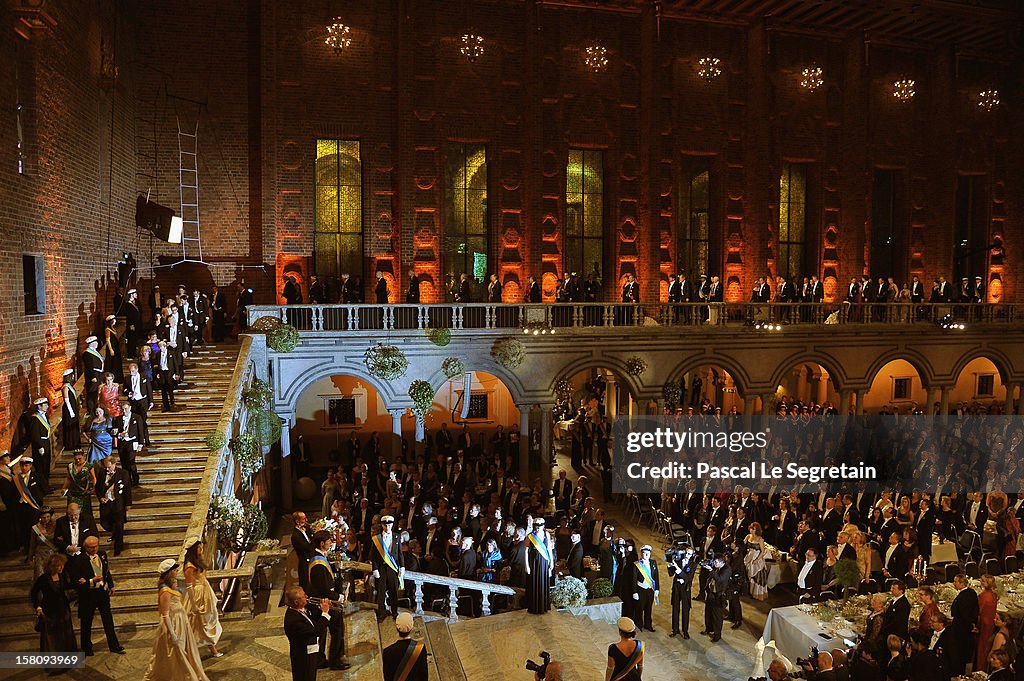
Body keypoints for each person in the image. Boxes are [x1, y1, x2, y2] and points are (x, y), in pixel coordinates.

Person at [142, 559, 209, 681]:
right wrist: (172, 633)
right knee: (176, 651)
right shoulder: (164, 590)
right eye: (174, 570)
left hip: (180, 621)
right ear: (168, 572)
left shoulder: (171, 586)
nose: (176, 571)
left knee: (183, 649)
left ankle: (184, 674)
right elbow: (165, 614)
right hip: (173, 623)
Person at [70, 535, 124, 655]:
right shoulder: (79, 560)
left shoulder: (102, 554)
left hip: (102, 593)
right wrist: (90, 581)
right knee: (86, 623)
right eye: (90, 547)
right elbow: (76, 580)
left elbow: (106, 571)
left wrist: (111, 585)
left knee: (108, 620)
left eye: (95, 546)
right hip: (88, 595)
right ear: (85, 547)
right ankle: (87, 648)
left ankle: (114, 645)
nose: (94, 549)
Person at [308, 530, 350, 670]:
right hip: (326, 603)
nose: (331, 542)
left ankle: (322, 659)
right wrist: (338, 597)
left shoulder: (320, 557)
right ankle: (335, 661)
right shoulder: (318, 563)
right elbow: (324, 588)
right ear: (321, 543)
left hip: (326, 601)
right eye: (328, 540)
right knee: (336, 630)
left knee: (326, 632)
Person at [31, 553, 77, 673]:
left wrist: (82, 582)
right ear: (52, 566)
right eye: (58, 566)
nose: (61, 568)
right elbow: (34, 593)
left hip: (63, 609)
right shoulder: (43, 578)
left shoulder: (62, 576)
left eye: (62, 565)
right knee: (52, 637)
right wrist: (38, 606)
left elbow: (67, 587)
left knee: (65, 635)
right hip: (50, 610)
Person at [183, 538, 223, 658]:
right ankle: (210, 649)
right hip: (197, 595)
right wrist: (194, 605)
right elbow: (189, 586)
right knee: (200, 622)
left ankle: (212, 646)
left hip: (205, 592)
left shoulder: (197, 561)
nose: (202, 549)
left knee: (208, 619)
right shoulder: (189, 566)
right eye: (199, 547)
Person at [284, 586, 330, 681]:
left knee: (311, 676)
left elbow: (312, 622)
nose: (307, 597)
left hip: (310, 651)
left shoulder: (300, 609)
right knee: (305, 677)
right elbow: (316, 631)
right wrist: (325, 613)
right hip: (303, 656)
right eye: (304, 596)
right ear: (296, 602)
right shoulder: (294, 620)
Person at [371, 515, 405, 622]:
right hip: (382, 568)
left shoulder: (397, 537)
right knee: (381, 592)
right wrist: (375, 569)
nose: (388, 527)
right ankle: (381, 613)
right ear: (382, 525)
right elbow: (374, 556)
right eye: (385, 525)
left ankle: (394, 611)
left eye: (390, 525)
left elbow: (400, 553)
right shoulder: (377, 539)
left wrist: (402, 566)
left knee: (393, 591)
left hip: (393, 568)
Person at [95, 456, 130, 556]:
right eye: (105, 467)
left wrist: (128, 504)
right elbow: (97, 488)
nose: (107, 469)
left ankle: (118, 546)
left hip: (118, 503)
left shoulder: (123, 473)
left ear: (114, 464)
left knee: (119, 525)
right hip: (106, 504)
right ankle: (114, 532)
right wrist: (100, 498)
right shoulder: (101, 473)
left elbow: (127, 489)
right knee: (104, 523)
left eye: (109, 467)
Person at [382, 612, 427, 681]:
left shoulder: (387, 651)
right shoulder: (420, 648)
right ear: (411, 627)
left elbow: (387, 678)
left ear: (397, 628)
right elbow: (424, 676)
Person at [525, 517, 553, 614]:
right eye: (536, 526)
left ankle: (543, 606)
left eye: (540, 526)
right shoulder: (530, 536)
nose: (537, 528)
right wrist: (527, 566)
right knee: (534, 583)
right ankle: (534, 607)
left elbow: (549, 549)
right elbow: (526, 551)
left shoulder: (547, 535)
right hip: (534, 563)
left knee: (543, 582)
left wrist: (551, 563)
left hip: (544, 562)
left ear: (543, 526)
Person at [667, 546, 696, 638]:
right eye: (686, 553)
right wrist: (669, 566)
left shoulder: (693, 565)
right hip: (676, 587)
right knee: (675, 608)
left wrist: (678, 570)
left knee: (685, 610)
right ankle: (675, 629)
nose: (686, 555)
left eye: (689, 554)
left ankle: (685, 631)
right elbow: (671, 574)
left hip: (685, 589)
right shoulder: (679, 560)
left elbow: (689, 578)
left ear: (692, 555)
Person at [630, 545, 659, 632]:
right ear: (641, 554)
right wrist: (634, 592)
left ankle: (648, 625)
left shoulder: (653, 563)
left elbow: (656, 577)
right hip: (641, 589)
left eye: (648, 553)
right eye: (644, 553)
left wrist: (657, 589)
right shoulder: (637, 564)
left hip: (650, 589)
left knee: (648, 608)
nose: (646, 555)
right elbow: (633, 579)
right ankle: (639, 624)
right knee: (639, 608)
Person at [26, 397, 54, 490]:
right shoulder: (35, 418)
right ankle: (42, 487)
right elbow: (35, 434)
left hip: (46, 442)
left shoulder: (44, 416)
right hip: (40, 444)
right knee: (40, 466)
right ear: (39, 406)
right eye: (45, 405)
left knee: (46, 465)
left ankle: (46, 485)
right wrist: (39, 446)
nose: (47, 406)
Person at [701, 555, 730, 642]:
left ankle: (717, 635)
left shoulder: (727, 570)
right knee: (708, 612)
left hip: (719, 595)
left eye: (716, 562)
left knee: (717, 616)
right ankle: (709, 629)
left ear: (722, 562)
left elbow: (720, 579)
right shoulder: (717, 567)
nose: (714, 564)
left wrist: (711, 570)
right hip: (711, 592)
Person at [606, 616, 644, 681]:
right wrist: (638, 677)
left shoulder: (613, 648)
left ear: (620, 632)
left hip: (618, 678)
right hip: (634, 677)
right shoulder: (640, 645)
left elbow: (610, 668)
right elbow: (640, 666)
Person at [976, 573, 999, 670]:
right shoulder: (993, 594)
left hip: (985, 624)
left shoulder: (985, 596)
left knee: (983, 647)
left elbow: (979, 611)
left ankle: (980, 668)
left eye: (982, 581)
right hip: (990, 622)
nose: (980, 582)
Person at [28, 506, 57, 580]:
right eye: (43, 517)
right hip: (40, 555)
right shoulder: (35, 528)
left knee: (53, 574)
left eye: (48, 517)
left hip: (52, 553)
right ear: (40, 517)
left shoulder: (56, 526)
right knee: (40, 575)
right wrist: (30, 558)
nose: (46, 519)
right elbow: (32, 544)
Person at [61, 369, 82, 454]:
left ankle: (76, 442)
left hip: (73, 408)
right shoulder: (65, 387)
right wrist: (71, 411)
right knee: (70, 425)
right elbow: (66, 400)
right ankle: (70, 444)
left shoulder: (69, 385)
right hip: (69, 409)